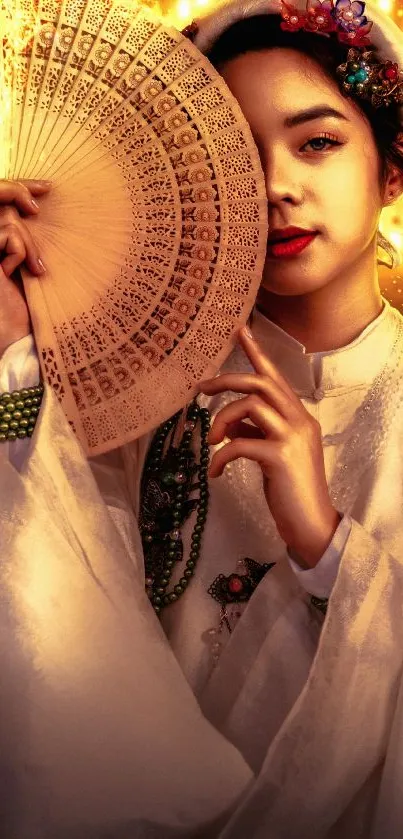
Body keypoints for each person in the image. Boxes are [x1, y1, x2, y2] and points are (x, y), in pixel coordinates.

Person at [3, 0, 403, 836]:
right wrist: (12, 341)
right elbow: (43, 626)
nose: (274, 186)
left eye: (317, 141)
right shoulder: (127, 393)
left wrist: (325, 547)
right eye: (235, 157)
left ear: (391, 167)